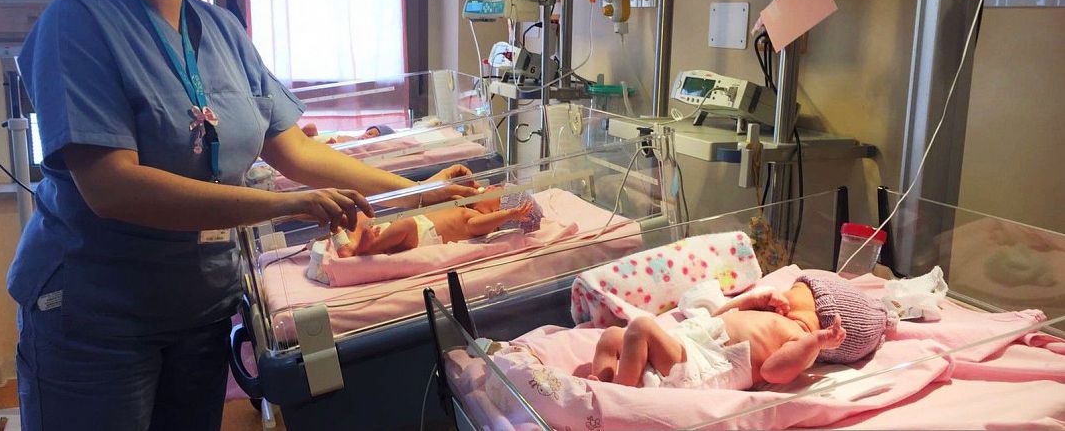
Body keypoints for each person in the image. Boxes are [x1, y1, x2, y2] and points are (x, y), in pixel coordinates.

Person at [8, 0, 478, 431]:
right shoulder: (76, 26)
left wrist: (417, 190)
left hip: (199, 305)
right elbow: (113, 188)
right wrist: (283, 204)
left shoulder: (221, 29)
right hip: (97, 315)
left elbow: (294, 150)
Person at [587, 275, 896, 389]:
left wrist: (815, 343)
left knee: (640, 327)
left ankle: (620, 397)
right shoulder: (766, 312)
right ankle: (602, 381)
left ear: (818, 317)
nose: (787, 293)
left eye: (800, 293)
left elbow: (774, 372)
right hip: (686, 344)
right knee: (613, 335)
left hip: (699, 367)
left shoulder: (799, 339)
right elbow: (716, 318)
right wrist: (749, 300)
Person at [332, 187, 544, 256]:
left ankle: (366, 250)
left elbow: (477, 225)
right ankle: (351, 244)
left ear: (497, 211)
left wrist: (510, 215)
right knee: (363, 217)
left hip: (421, 234)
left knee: (404, 225)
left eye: (496, 191)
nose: (490, 187)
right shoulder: (466, 209)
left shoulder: (476, 222)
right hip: (415, 223)